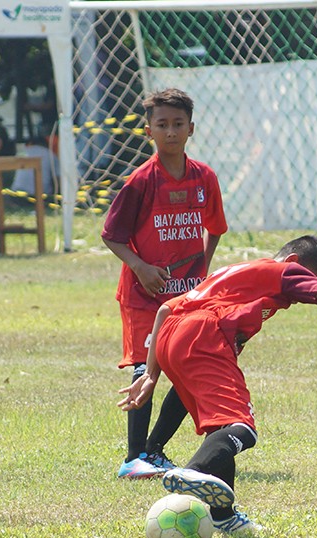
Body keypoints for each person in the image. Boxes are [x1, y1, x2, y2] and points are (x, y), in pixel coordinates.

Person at [118, 235, 317, 533]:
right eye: (310, 283)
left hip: (173, 332)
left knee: (220, 429)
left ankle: (223, 515)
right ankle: (191, 472)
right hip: (203, 333)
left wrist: (151, 373)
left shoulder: (234, 274)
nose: (302, 294)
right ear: (294, 264)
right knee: (241, 428)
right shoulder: (285, 272)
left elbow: (165, 311)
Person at [102, 88, 227, 480]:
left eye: (177, 124)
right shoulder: (141, 181)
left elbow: (215, 228)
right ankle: (133, 456)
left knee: (188, 368)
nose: (170, 132)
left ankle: (155, 450)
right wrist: (140, 266)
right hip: (144, 296)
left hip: (187, 295)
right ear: (149, 130)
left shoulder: (204, 177)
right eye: (162, 125)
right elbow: (111, 235)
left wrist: (202, 272)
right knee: (145, 367)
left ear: (191, 128)